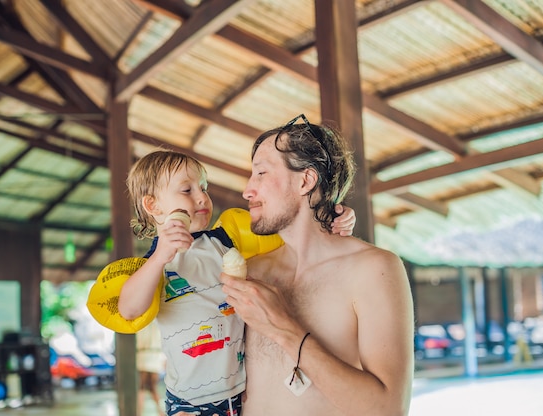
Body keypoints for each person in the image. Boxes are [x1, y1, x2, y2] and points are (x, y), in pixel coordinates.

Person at [118, 150, 356, 416]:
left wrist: (332, 221)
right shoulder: (156, 264)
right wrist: (161, 256)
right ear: (153, 206)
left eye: (203, 188)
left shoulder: (224, 241)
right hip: (190, 402)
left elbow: (293, 239)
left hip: (242, 393)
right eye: (187, 190)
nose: (202, 197)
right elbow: (129, 310)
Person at [221, 114, 415, 415]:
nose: (247, 190)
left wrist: (284, 328)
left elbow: (389, 409)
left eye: (260, 173)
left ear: (305, 180)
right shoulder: (252, 271)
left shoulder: (373, 270)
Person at [137, 320, 167, 416]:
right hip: (155, 357)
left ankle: (139, 412)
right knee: (153, 387)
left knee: (142, 387)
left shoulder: (139, 324)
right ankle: (160, 411)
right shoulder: (158, 324)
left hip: (142, 357)